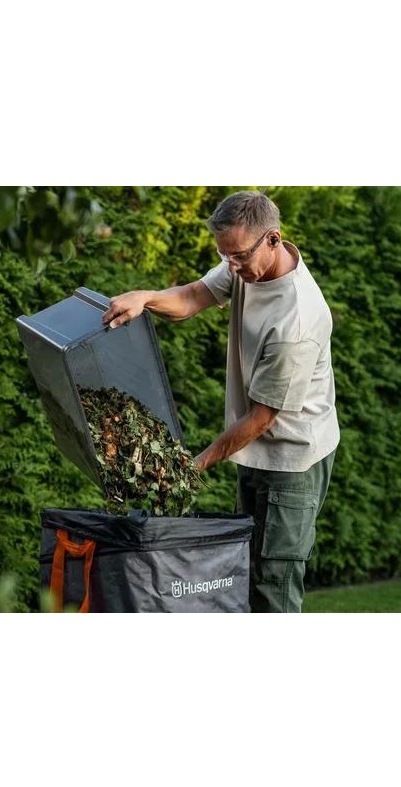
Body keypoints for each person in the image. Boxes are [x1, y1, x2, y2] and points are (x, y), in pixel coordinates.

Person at [102, 190, 340, 612]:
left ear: (273, 239)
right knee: (244, 571)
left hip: (292, 460)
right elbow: (194, 296)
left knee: (272, 585)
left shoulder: (297, 322)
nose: (231, 266)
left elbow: (262, 418)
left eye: (238, 256)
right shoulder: (245, 263)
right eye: (223, 255)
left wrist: (193, 466)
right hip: (257, 448)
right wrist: (146, 298)